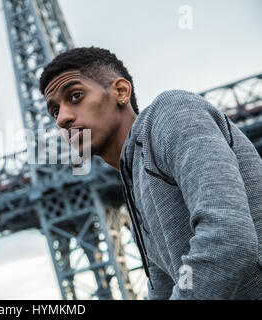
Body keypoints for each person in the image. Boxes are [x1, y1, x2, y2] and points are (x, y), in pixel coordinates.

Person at [39, 46, 262, 300]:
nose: (62, 119)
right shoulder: (135, 187)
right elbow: (163, 290)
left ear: (120, 92)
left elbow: (229, 239)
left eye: (76, 96)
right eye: (55, 111)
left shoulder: (170, 114)